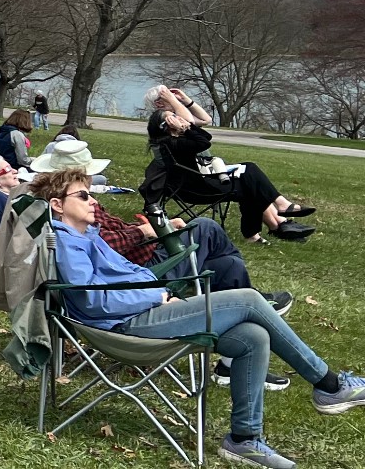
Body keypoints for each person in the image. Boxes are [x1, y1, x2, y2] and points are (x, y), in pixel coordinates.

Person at [33, 167, 365, 468]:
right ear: (57, 205)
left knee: (253, 337)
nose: (93, 201)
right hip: (123, 327)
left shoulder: (87, 236)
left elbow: (130, 272)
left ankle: (243, 440)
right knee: (249, 299)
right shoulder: (65, 242)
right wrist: (158, 295)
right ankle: (330, 385)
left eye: (91, 194)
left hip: (144, 311)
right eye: (83, 195)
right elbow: (92, 301)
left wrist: (161, 291)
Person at [28, 137, 296, 389]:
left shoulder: (82, 220)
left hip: (139, 280)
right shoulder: (73, 232)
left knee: (229, 266)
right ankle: (322, 379)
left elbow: (108, 252)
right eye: (85, 192)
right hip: (134, 297)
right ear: (60, 200)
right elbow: (94, 290)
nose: (92, 197)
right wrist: (147, 241)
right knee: (207, 229)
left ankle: (236, 365)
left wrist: (144, 240)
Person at [142, 85, 315, 243]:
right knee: (249, 180)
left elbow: (205, 120)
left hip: (200, 175)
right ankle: (274, 221)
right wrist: (178, 111)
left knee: (249, 176)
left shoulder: (166, 130)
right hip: (198, 184)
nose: (175, 102)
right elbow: (198, 132)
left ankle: (274, 224)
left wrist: (186, 100)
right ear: (160, 104)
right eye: (169, 97)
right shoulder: (169, 131)